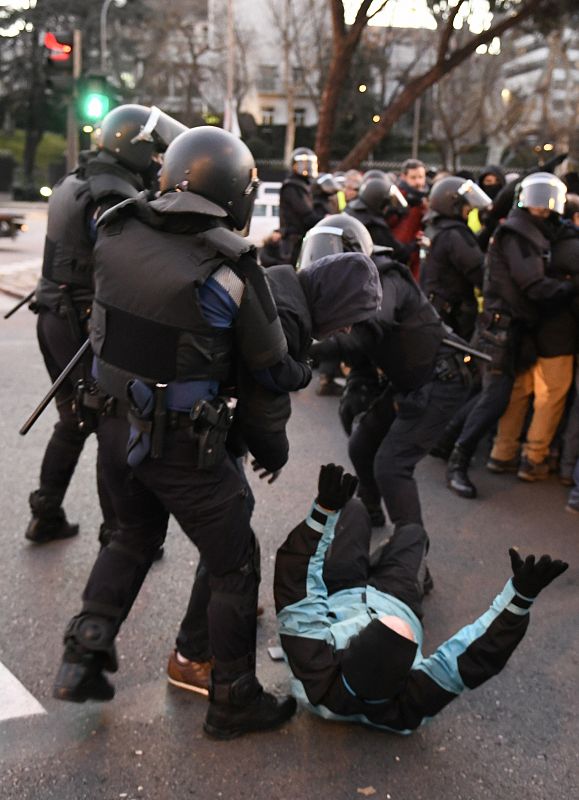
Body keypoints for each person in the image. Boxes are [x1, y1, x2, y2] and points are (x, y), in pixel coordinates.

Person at [52, 126, 297, 740]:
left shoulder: (116, 229)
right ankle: (233, 695)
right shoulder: (231, 266)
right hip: (183, 443)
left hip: (112, 427)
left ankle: (82, 653)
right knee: (234, 560)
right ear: (234, 192)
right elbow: (268, 367)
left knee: (130, 537)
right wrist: (290, 398)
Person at [166, 241, 384, 696]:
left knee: (222, 542)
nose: (344, 327)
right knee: (233, 547)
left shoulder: (284, 289)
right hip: (190, 428)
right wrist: (275, 455)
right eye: (347, 314)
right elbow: (264, 400)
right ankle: (190, 655)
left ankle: (209, 622)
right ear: (332, 299)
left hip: (179, 418)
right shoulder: (288, 314)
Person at [274, 463, 569, 733]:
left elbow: (297, 586)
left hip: (340, 594)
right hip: (398, 597)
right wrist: (518, 599)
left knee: (353, 509)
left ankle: (378, 559)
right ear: (407, 674)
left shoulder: (314, 668)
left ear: (345, 650)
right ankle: (398, 568)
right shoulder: (412, 700)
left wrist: (323, 512)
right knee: (414, 533)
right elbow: (476, 652)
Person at [25, 104, 186, 545]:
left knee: (75, 419)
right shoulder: (110, 195)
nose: (157, 161)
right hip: (77, 321)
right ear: (131, 149)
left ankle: (47, 513)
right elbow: (127, 263)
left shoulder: (76, 179)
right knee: (107, 422)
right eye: (153, 152)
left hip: (53, 314)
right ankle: (118, 532)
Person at [307, 216, 474, 528]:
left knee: (392, 466)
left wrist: (308, 347)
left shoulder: (385, 279)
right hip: (409, 381)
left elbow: (368, 327)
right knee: (361, 445)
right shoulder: (357, 285)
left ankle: (412, 555)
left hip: (441, 379)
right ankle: (369, 512)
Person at [446, 172, 575, 499]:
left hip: (507, 327)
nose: (544, 210)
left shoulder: (525, 230)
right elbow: (532, 284)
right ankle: (456, 461)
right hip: (501, 328)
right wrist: (569, 287)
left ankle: (444, 442)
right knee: (494, 398)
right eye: (540, 205)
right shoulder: (517, 234)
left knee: (484, 393)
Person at [488, 191, 579, 481]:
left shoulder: (533, 238)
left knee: (519, 393)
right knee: (549, 398)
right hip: (559, 334)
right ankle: (533, 459)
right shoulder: (570, 247)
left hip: (527, 328)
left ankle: (502, 453)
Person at [420, 176, 490, 340]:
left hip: (435, 307)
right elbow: (480, 272)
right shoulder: (454, 234)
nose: (470, 209)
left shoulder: (434, 228)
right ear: (454, 204)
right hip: (454, 313)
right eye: (466, 205)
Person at [345, 175, 415, 265]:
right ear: (379, 202)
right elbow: (398, 252)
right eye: (386, 204)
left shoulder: (351, 209)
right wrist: (414, 245)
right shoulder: (374, 224)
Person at [279, 146, 325, 266]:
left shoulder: (304, 185)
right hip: (293, 240)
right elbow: (305, 214)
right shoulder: (292, 186)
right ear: (294, 165)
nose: (307, 167)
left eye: (309, 163)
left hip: (301, 238)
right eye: (303, 163)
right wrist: (325, 220)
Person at [390, 158, 429, 280]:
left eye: (421, 177)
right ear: (404, 177)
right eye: (413, 177)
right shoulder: (395, 199)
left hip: (416, 258)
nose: (418, 182)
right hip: (396, 256)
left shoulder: (425, 201)